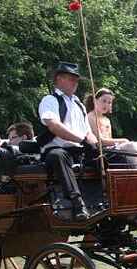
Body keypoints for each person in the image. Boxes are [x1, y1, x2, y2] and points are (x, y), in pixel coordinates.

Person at [38, 61, 98, 221]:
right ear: (59, 79)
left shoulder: (79, 104)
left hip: (79, 151)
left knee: (105, 158)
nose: (75, 83)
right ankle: (77, 203)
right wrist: (80, 139)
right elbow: (54, 126)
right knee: (58, 156)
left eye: (76, 80)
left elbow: (88, 132)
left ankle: (107, 199)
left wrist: (95, 146)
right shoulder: (50, 100)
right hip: (57, 151)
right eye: (72, 79)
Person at [85, 87, 137, 168]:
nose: (106, 105)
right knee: (131, 146)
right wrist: (124, 141)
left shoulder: (107, 120)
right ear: (95, 100)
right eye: (104, 101)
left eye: (109, 102)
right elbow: (100, 142)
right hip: (100, 152)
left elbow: (110, 140)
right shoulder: (91, 117)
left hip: (110, 149)